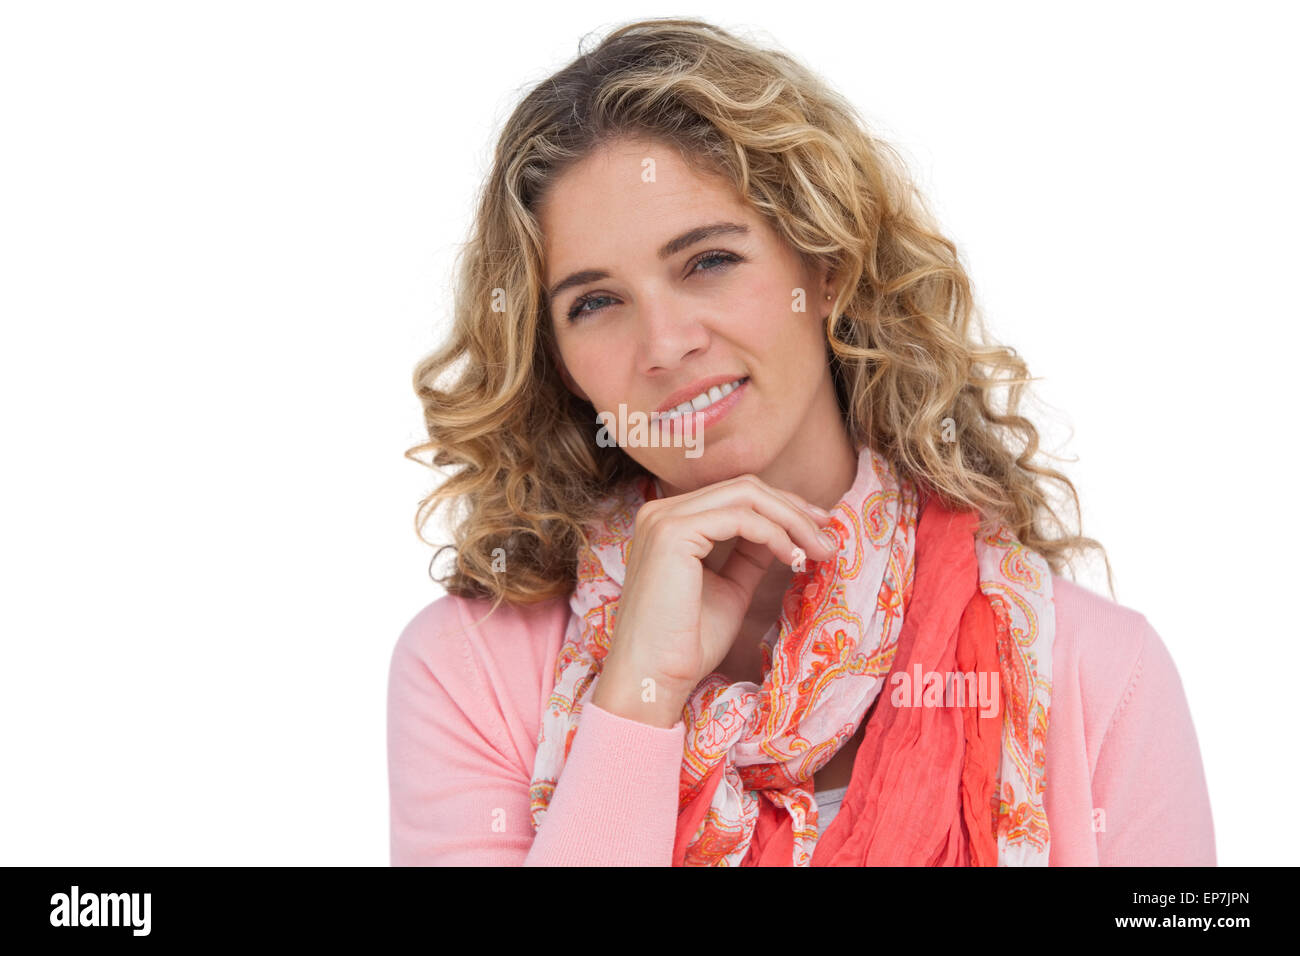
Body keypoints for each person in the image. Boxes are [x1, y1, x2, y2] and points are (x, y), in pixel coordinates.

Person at [388, 17, 1215, 866]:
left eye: (707, 260)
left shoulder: (1097, 672)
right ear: (559, 363)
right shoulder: (467, 670)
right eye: (595, 303)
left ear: (826, 268)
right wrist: (634, 701)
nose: (665, 343)